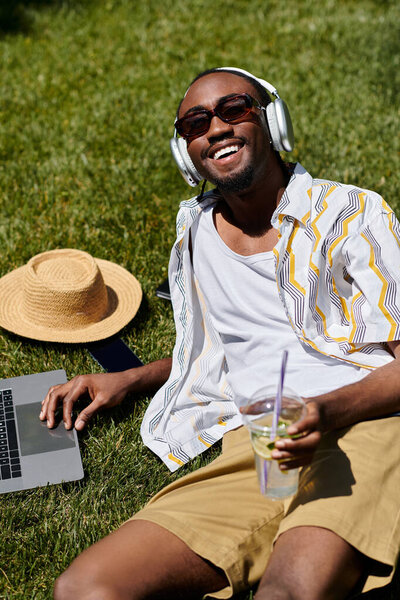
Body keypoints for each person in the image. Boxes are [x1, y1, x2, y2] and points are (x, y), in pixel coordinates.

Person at [40, 67, 400, 600]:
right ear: (186, 151)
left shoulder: (352, 214)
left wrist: (326, 412)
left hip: (367, 424)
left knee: (289, 591)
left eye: (235, 109)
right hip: (257, 442)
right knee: (86, 589)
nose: (216, 129)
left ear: (271, 121)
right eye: (196, 123)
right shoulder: (196, 232)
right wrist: (134, 379)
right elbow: (226, 348)